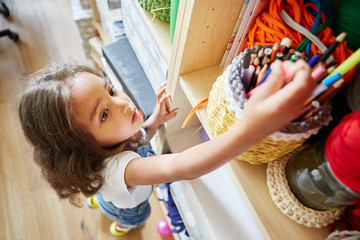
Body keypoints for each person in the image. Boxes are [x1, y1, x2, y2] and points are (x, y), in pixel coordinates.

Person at [18, 60, 315, 236]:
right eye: (104, 114)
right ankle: (121, 225)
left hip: (106, 187)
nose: (122, 103)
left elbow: (140, 138)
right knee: (133, 217)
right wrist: (249, 130)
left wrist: (156, 119)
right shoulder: (124, 170)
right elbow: (180, 165)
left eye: (110, 90)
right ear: (84, 148)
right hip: (130, 205)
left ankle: (97, 199)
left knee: (100, 193)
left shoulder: (111, 145)